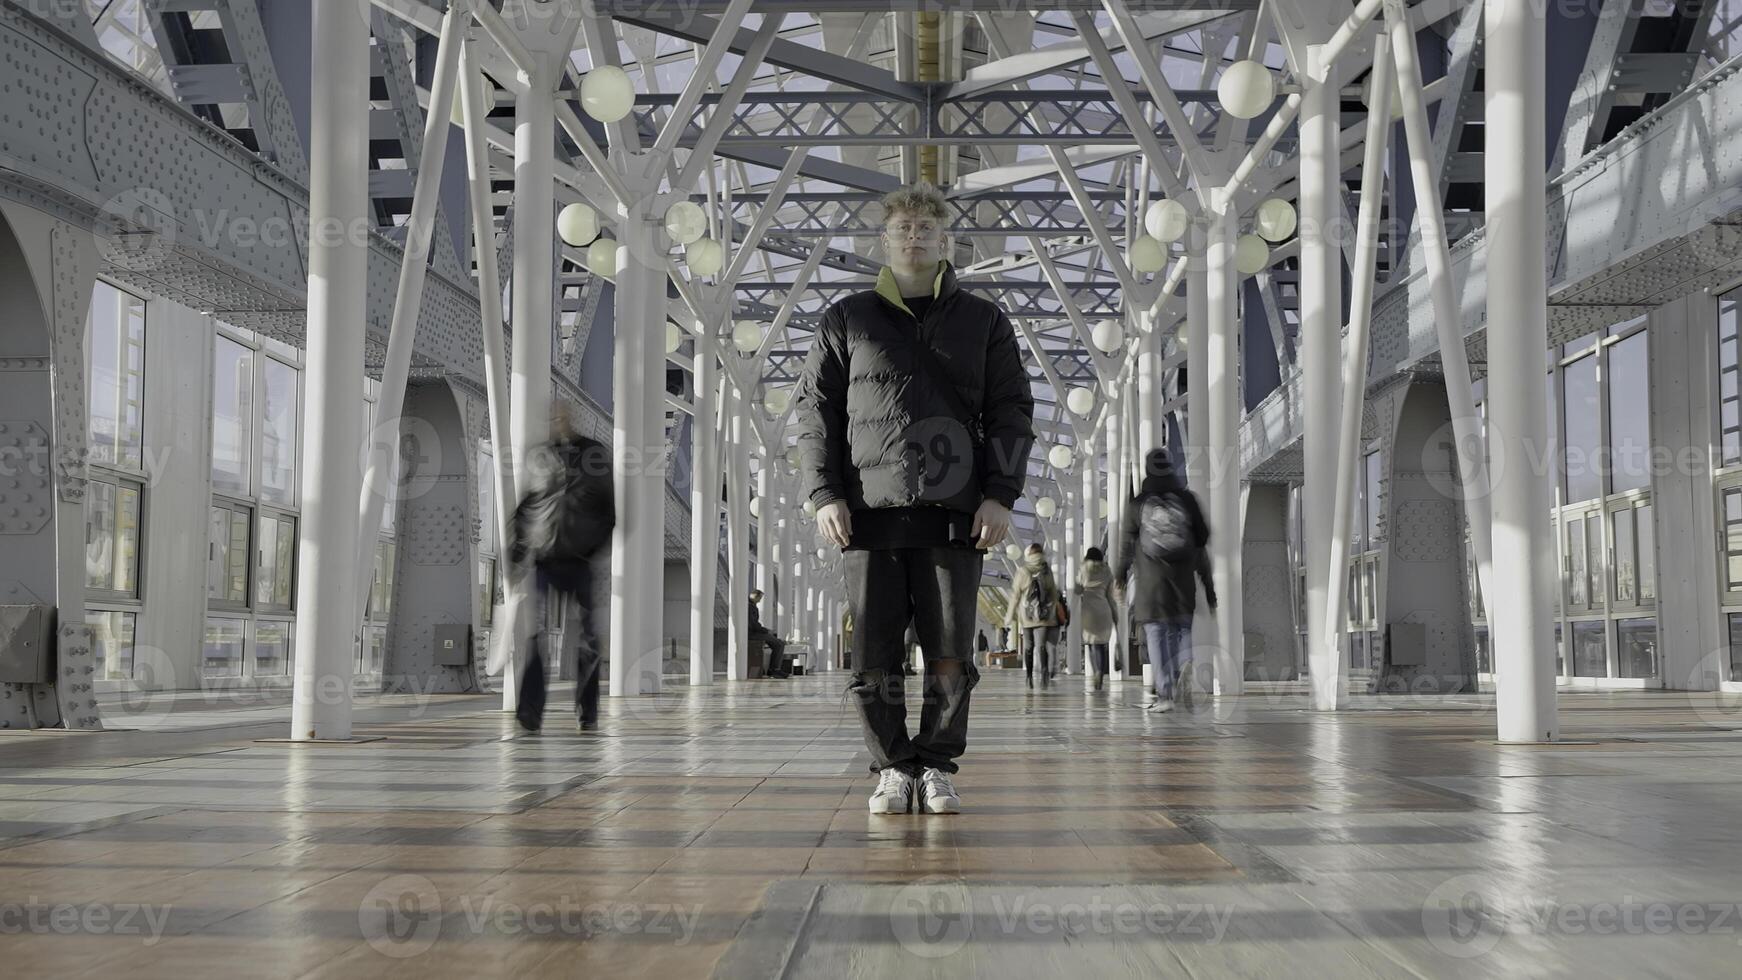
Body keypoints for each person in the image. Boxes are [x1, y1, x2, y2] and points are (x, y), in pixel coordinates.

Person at [793, 181, 1035, 816]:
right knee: (873, 656)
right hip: (868, 516)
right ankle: (893, 767)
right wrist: (823, 493)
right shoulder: (846, 319)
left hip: (954, 514)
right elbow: (816, 416)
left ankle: (936, 764)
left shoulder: (983, 321)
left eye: (926, 228)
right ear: (885, 238)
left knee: (952, 653)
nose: (914, 237)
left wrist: (1000, 494)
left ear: (944, 238)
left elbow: (1012, 411)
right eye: (902, 227)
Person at [505, 407, 615, 733]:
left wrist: (592, 548)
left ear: (570, 419)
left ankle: (588, 710)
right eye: (551, 417)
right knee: (535, 636)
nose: (556, 422)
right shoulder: (541, 456)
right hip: (544, 559)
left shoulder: (594, 453)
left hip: (580, 561)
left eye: (560, 416)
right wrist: (518, 552)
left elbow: (608, 509)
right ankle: (530, 712)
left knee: (588, 639)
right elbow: (527, 507)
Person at [1116, 449, 1216, 712]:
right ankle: (1185, 663)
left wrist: (1120, 575)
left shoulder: (1138, 503)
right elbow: (1203, 537)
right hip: (1183, 579)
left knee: (1157, 633)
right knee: (1182, 627)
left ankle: (1165, 695)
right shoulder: (1187, 500)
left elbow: (1126, 543)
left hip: (1151, 581)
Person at [1006, 543, 1062, 690]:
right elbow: (1053, 592)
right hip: (1044, 616)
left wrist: (1010, 614)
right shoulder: (1046, 570)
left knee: (1028, 647)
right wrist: (1051, 610)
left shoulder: (1023, 571)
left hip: (1026, 617)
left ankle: (1029, 677)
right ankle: (1044, 673)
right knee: (1042, 646)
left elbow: (1015, 595)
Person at [1074, 546, 1118, 691]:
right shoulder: (1107, 571)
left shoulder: (1083, 569)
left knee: (1091, 644)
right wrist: (1115, 614)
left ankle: (1096, 672)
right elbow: (1110, 596)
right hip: (1103, 609)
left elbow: (1077, 590)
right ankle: (1100, 672)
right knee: (1101, 644)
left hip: (1088, 610)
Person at [748, 589, 788, 676]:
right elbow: (753, 624)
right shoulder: (750, 607)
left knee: (778, 643)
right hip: (752, 634)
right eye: (760, 597)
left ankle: (774, 669)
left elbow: (754, 624)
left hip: (754, 632)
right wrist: (766, 631)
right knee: (779, 644)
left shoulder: (751, 606)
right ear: (756, 596)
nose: (760, 600)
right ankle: (774, 669)